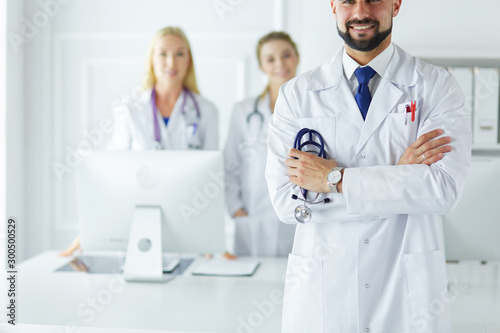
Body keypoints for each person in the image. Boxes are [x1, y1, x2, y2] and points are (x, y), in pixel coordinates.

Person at [265, 1, 471, 332]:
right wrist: (401, 179)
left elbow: (441, 191)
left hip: (405, 298)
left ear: (396, 4)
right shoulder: (297, 95)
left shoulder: (437, 87)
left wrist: (332, 179)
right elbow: (286, 204)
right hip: (323, 299)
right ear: (333, 6)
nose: (361, 11)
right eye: (348, 0)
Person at [60, 26, 219, 256]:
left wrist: (211, 235)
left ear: (189, 60)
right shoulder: (130, 109)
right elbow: (113, 172)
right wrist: (90, 230)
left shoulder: (207, 110)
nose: (171, 63)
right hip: (139, 219)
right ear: (151, 59)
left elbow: (211, 177)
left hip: (188, 219)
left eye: (180, 53)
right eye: (162, 53)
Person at [224, 32, 299, 257]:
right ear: (261, 66)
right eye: (270, 59)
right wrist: (237, 210)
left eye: (286, 55)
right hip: (252, 217)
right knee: (249, 288)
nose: (280, 64)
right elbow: (230, 164)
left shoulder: (313, 109)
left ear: (296, 57)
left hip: (297, 216)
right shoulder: (244, 111)